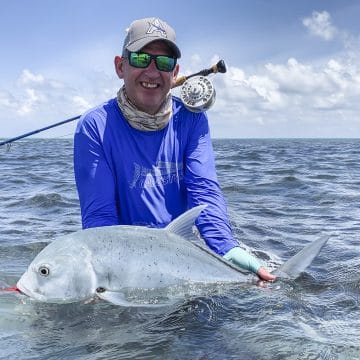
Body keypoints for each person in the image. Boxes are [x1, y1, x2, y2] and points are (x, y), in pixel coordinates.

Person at [73, 17, 275, 282]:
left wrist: (227, 248)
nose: (153, 72)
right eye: (142, 59)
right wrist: (107, 273)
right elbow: (100, 215)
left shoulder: (191, 119)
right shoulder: (94, 126)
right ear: (120, 66)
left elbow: (203, 190)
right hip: (124, 263)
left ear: (175, 70)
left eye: (164, 62)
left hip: (180, 256)